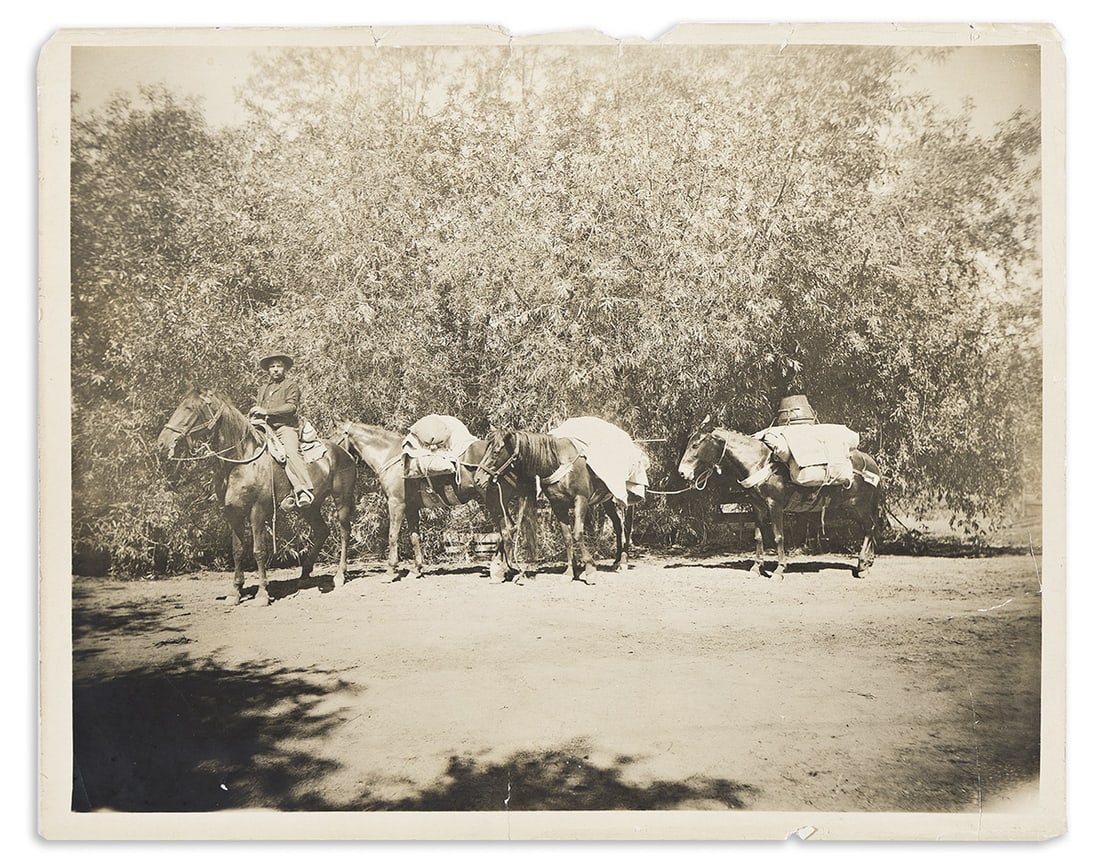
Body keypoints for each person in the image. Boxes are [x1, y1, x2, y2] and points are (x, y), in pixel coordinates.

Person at [249, 352, 315, 509]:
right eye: (272, 367)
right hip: (264, 428)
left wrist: (267, 412)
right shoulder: (263, 389)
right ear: (268, 370)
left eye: (279, 366)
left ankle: (303, 489)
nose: (275, 369)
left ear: (285, 368)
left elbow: (291, 407)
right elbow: (259, 407)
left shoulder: (290, 385)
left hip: (285, 427)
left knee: (290, 453)